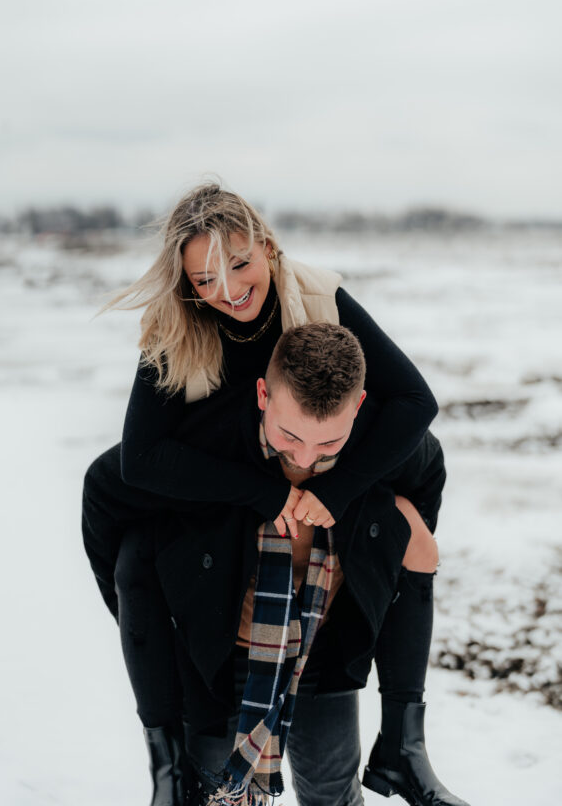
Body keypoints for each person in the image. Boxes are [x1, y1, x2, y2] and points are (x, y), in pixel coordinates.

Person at [83, 180, 461, 805]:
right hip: (222, 463)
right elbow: (142, 458)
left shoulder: (316, 293)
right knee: (121, 528)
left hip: (316, 456)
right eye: (205, 281)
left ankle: (404, 740)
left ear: (267, 247)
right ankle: (168, 753)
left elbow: (416, 401)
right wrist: (258, 491)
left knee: (412, 506)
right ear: (185, 284)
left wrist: (341, 491)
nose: (229, 293)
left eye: (238, 264)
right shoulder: (174, 326)